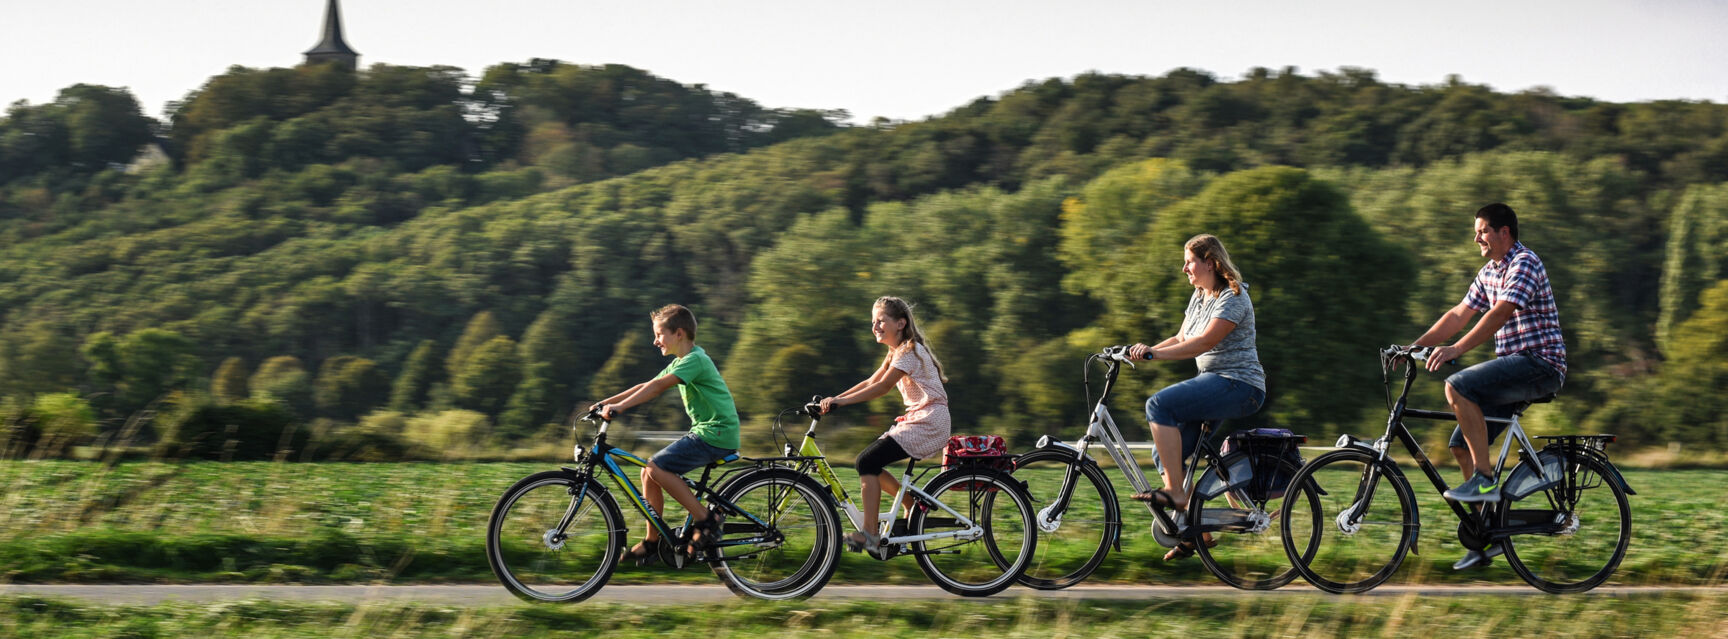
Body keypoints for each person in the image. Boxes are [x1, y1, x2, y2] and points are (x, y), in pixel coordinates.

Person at [1411, 202, 1566, 570]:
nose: (1476, 237)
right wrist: (1412, 347)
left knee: (1457, 386)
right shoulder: (1489, 271)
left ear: (1504, 232)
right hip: (1513, 369)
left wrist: (1456, 349)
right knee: (1459, 446)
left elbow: (1500, 313)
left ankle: (1484, 480)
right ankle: (1488, 533)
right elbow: (1459, 314)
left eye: (1482, 230)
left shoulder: (1523, 263)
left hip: (1539, 364)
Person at [1126, 234, 1267, 562]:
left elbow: (1203, 343)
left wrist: (1154, 358)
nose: (1184, 268)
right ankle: (1198, 532)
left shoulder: (1233, 298)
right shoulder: (1199, 296)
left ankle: (1175, 493)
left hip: (1240, 385)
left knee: (1158, 405)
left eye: (1189, 261)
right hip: (1214, 382)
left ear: (1211, 263)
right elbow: (1181, 336)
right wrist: (1141, 351)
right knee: (1165, 455)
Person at [593, 304, 740, 564]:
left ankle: (706, 519)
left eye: (660, 334)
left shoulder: (695, 360)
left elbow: (658, 387)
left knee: (656, 467)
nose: (655, 340)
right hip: (709, 432)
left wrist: (619, 408)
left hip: (716, 433)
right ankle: (653, 541)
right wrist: (604, 402)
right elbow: (646, 385)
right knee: (647, 472)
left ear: (679, 334)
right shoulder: (683, 361)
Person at [818, 296, 950, 554]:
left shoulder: (910, 352)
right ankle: (911, 504)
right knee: (870, 461)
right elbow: (871, 380)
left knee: (867, 461)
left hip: (929, 421)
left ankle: (870, 534)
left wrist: (841, 403)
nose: (875, 326)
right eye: (873, 322)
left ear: (900, 323)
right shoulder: (897, 352)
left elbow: (882, 387)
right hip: (921, 418)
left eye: (881, 321)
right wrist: (834, 399)